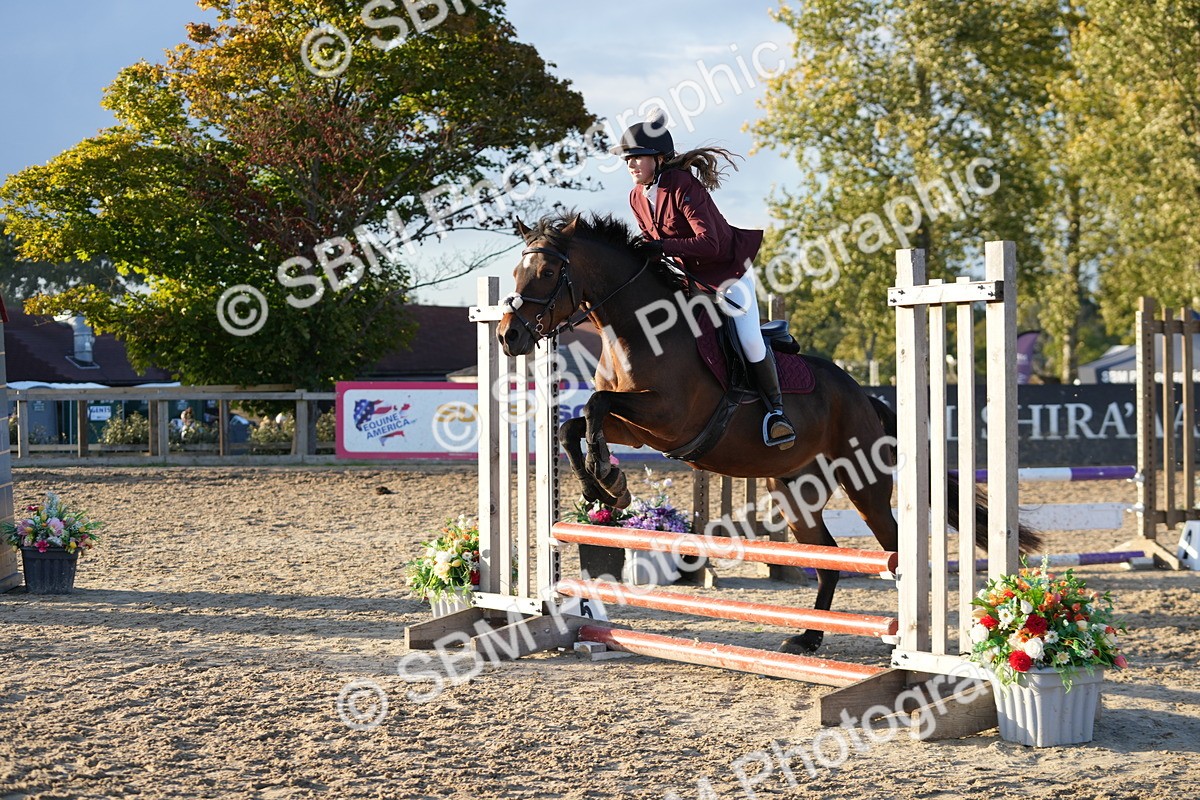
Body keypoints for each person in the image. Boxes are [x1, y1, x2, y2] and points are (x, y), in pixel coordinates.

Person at [610, 113, 796, 449]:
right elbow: (651, 245)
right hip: (688, 279)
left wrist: (662, 246)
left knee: (750, 339)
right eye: (627, 159)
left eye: (636, 157)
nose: (631, 164)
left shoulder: (682, 184)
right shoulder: (636, 196)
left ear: (658, 158)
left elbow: (712, 243)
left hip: (726, 273)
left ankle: (777, 413)